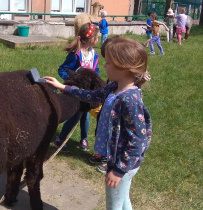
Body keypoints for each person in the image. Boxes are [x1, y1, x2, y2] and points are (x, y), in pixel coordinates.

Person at [44, 36, 152, 209]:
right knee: (123, 200)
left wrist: (118, 170)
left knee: (114, 205)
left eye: (108, 63)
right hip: (119, 160)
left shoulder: (129, 100)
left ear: (123, 68)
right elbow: (92, 95)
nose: (104, 66)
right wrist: (64, 87)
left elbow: (138, 141)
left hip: (121, 163)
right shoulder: (114, 87)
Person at [54, 22, 100, 152]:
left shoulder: (93, 54)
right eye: (96, 37)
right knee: (75, 115)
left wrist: (95, 78)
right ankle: (60, 140)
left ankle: (83, 139)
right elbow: (62, 69)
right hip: (77, 91)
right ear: (91, 39)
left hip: (89, 90)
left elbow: (95, 69)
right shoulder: (75, 54)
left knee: (85, 115)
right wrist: (72, 80)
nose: (98, 40)